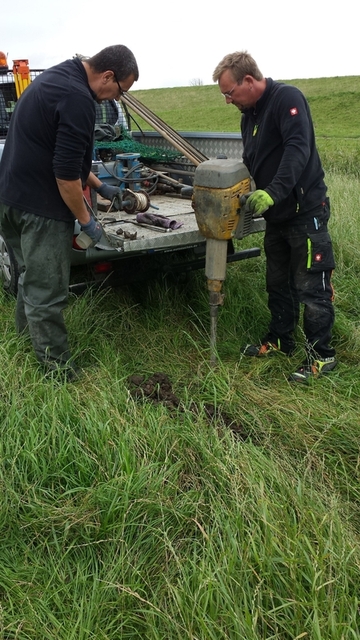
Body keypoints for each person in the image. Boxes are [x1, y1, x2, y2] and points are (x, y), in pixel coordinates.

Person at [0, 45, 139, 380]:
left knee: (29, 278)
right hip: (40, 209)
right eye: (120, 91)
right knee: (48, 291)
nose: (113, 100)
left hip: (10, 201)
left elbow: (65, 156)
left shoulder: (59, 76)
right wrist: (88, 223)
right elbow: (65, 177)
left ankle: (23, 342)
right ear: (107, 76)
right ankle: (57, 372)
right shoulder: (79, 99)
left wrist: (102, 187)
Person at [213, 51, 336, 383]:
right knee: (277, 284)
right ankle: (281, 340)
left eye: (229, 92)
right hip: (277, 217)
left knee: (312, 287)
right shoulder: (248, 115)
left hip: (304, 212)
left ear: (249, 81)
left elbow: (299, 148)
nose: (227, 100)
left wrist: (274, 191)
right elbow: (256, 159)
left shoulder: (287, 99)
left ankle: (322, 356)